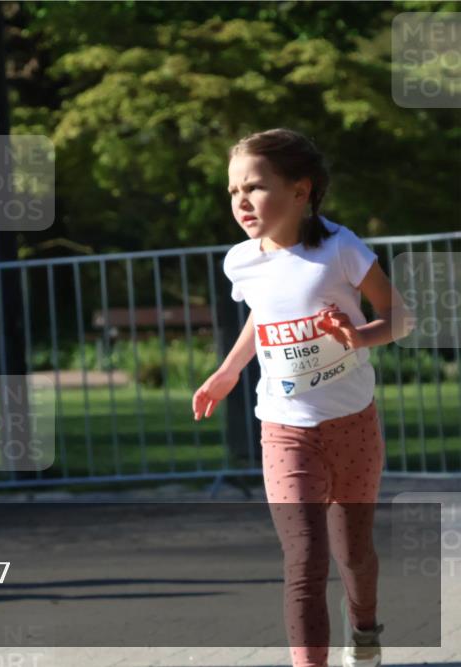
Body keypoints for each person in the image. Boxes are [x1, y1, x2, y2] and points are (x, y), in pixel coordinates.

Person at [192, 128, 411, 667]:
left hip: (353, 425)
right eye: (233, 191)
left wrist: (359, 336)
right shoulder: (240, 262)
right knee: (305, 560)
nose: (241, 202)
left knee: (353, 554)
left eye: (255, 187)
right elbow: (261, 318)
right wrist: (226, 373)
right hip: (285, 427)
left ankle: (364, 631)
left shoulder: (340, 248)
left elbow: (400, 319)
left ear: (300, 191)